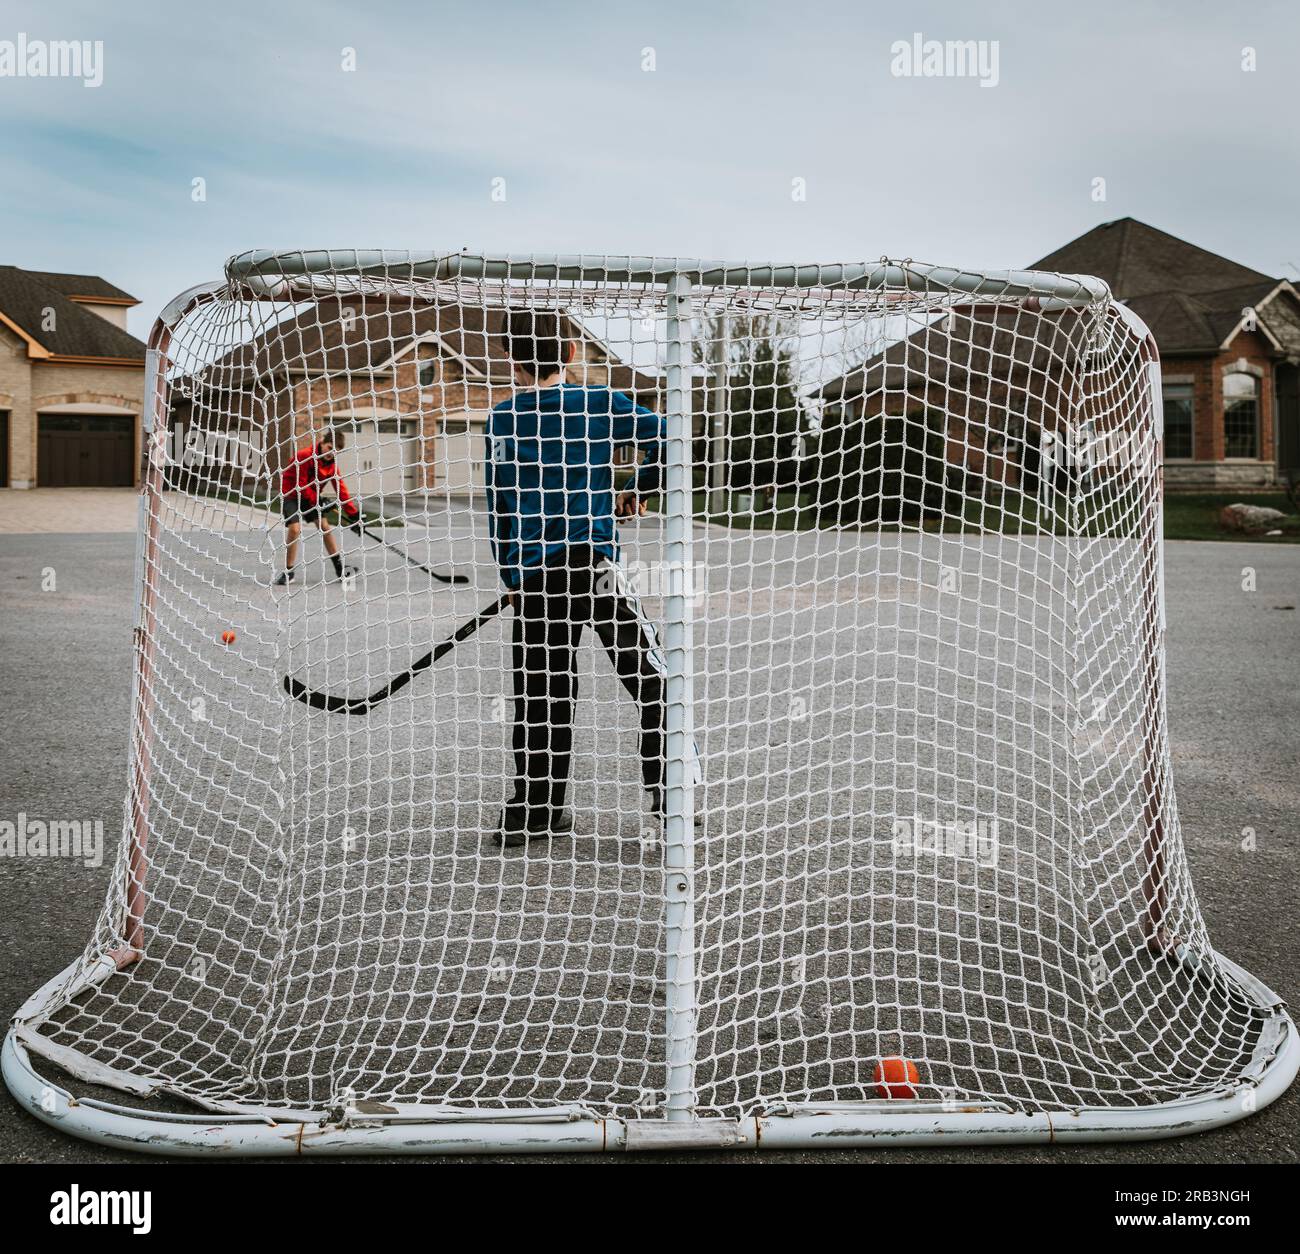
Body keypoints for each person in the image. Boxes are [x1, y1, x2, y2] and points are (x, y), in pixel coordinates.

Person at [485, 310, 692, 848]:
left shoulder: (502, 418)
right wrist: (640, 484)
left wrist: (512, 573)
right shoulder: (598, 402)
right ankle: (671, 791)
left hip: (535, 576)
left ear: (511, 358)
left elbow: (499, 507)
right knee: (652, 675)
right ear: (571, 354)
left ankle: (536, 807)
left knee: (541, 691)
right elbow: (668, 437)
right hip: (595, 567)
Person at [275, 435, 360, 585]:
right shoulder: (304, 456)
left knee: (325, 526)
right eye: (329, 448)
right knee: (295, 529)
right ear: (322, 443)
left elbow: (341, 489)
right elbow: (300, 485)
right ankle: (289, 572)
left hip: (310, 497)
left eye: (336, 451)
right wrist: (319, 500)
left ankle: (340, 569)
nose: (331, 453)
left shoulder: (332, 466)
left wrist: (354, 515)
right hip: (292, 494)